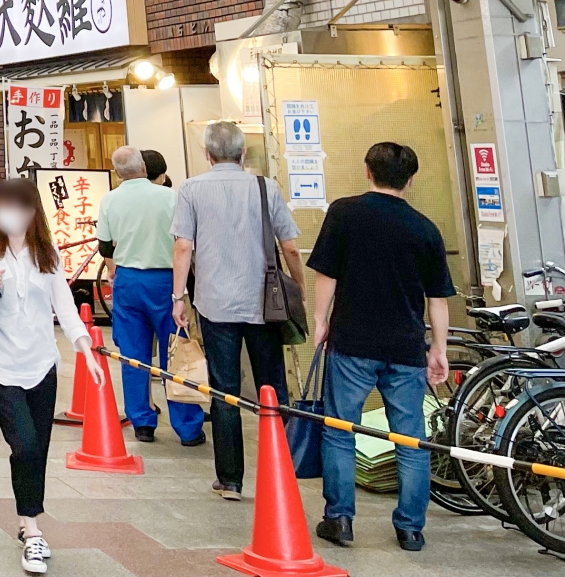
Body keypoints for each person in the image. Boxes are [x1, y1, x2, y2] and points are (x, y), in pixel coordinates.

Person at [309, 142, 455, 553]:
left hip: (352, 341)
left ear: (367, 171)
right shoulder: (424, 228)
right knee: (410, 438)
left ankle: (339, 519)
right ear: (412, 179)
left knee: (340, 430)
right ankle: (410, 529)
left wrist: (320, 322)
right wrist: (438, 348)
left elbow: (327, 276)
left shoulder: (344, 212)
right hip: (406, 347)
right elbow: (438, 299)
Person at [0, 178, 104, 575]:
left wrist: (84, 347)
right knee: (23, 445)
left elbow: (65, 305)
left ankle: (25, 520)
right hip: (0, 365)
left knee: (37, 446)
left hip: (42, 364)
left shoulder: (46, 252)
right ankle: (34, 531)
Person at [171, 121, 305, 499]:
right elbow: (291, 247)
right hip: (264, 303)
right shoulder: (266, 187)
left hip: (214, 304)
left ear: (207, 154)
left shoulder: (191, 188)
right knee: (272, 387)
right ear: (243, 153)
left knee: (224, 389)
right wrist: (299, 288)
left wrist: (178, 297)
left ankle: (230, 479)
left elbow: (184, 246)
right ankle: (282, 469)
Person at [98, 146, 205, 446]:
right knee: (176, 350)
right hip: (166, 280)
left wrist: (115, 265)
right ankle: (187, 427)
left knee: (133, 354)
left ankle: (142, 421)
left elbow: (105, 247)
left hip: (128, 280)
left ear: (117, 172)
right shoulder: (170, 197)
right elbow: (183, 241)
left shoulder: (109, 200)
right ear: (144, 168)